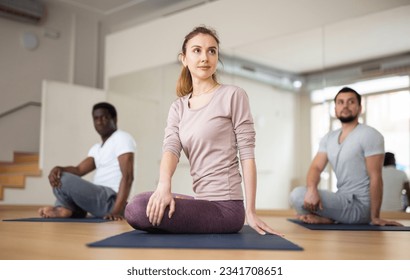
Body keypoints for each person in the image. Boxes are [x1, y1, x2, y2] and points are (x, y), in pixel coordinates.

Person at [125, 25, 281, 235]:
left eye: (212, 51)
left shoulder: (233, 95)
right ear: (184, 58)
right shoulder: (178, 107)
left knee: (137, 208)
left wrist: (250, 211)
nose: (205, 57)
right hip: (203, 202)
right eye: (197, 50)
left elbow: (247, 155)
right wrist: (164, 186)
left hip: (226, 209)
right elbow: (171, 149)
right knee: (143, 200)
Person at [290, 87, 402, 226]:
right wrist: (312, 189)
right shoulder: (329, 138)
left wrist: (375, 217)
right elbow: (316, 167)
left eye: (351, 102)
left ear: (360, 108)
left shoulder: (370, 135)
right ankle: (330, 219)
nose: (345, 106)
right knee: (298, 196)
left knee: (298, 194)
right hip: (342, 198)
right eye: (340, 102)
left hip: (360, 206)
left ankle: (329, 219)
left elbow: (376, 177)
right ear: (335, 109)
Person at [38, 102, 136, 220]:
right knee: (58, 176)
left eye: (104, 117)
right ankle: (69, 210)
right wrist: (58, 169)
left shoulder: (122, 138)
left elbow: (128, 176)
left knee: (63, 178)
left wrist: (116, 211)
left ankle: (64, 208)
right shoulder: (97, 148)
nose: (99, 121)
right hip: (97, 199)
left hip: (111, 199)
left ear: (114, 119)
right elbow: (78, 170)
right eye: (96, 118)